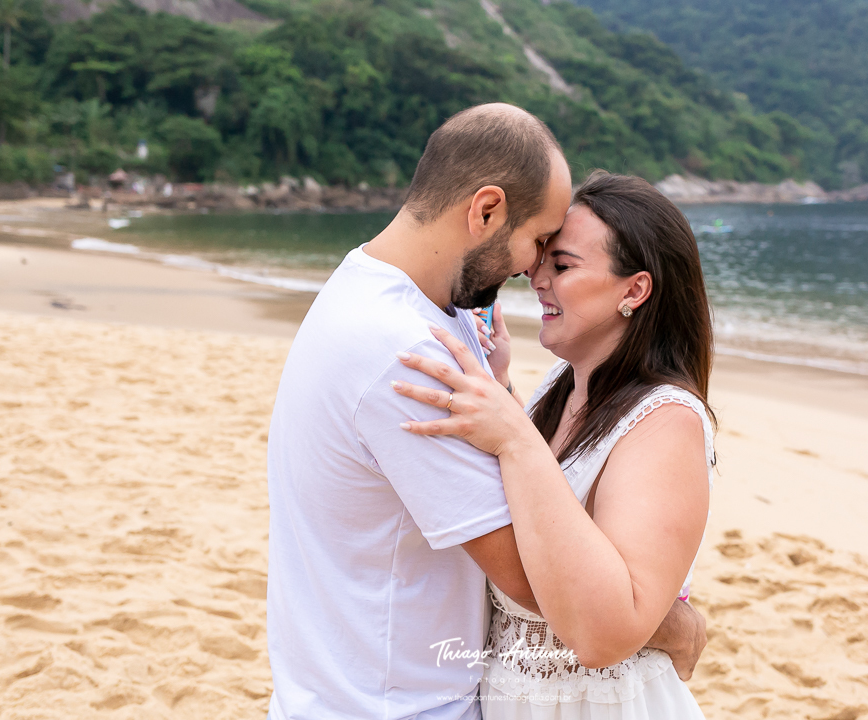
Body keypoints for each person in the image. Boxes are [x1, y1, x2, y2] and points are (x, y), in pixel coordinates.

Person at [266, 106, 706, 720]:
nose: (533, 270)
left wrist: (503, 396)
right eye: (539, 243)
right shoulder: (409, 349)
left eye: (559, 259)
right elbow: (532, 581)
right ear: (487, 211)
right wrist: (673, 624)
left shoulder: (384, 297)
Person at [391, 172, 716, 718]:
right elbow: (554, 489)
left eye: (562, 266)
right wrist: (504, 388)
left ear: (634, 290)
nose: (536, 275)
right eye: (544, 258)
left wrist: (514, 436)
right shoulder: (558, 388)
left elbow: (604, 631)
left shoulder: (666, 421)